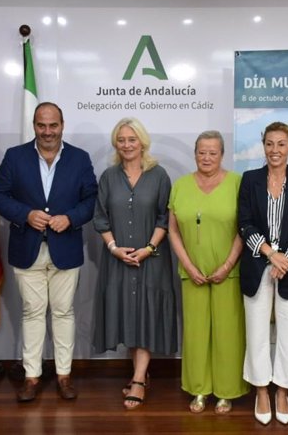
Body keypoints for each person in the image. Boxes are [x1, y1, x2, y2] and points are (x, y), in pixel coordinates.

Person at [0, 102, 98, 402]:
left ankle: (64, 376)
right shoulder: (15, 156)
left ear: (62, 124)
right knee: (32, 313)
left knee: (64, 312)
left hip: (66, 249)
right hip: (27, 249)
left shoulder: (79, 158)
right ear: (34, 125)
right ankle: (32, 377)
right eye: (41, 125)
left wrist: (71, 217)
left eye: (53, 125)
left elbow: (91, 199)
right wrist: (25, 214)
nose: (48, 132)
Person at [93, 117, 177, 410]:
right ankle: (140, 374)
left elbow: (164, 218)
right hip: (117, 261)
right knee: (130, 314)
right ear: (116, 144)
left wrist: (148, 248)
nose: (127, 144)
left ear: (142, 142)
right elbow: (100, 218)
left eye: (132, 139)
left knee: (147, 315)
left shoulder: (159, 175)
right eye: (121, 139)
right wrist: (115, 248)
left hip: (150, 260)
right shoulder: (108, 176)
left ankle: (139, 380)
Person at [237, 121, 288, 425]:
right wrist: (271, 254)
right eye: (270, 143)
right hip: (258, 265)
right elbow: (244, 223)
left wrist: (286, 260)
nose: (275, 150)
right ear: (263, 145)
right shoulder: (250, 179)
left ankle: (282, 391)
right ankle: (261, 391)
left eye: (281, 144)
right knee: (256, 334)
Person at [168, 130, 248, 414]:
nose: (207, 157)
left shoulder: (238, 184)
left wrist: (227, 265)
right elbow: (173, 230)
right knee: (196, 332)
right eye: (202, 151)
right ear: (194, 153)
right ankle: (199, 390)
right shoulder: (179, 186)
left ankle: (226, 391)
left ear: (222, 155)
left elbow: (244, 228)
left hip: (230, 272)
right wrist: (189, 265)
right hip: (193, 273)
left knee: (228, 332)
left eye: (213, 152)